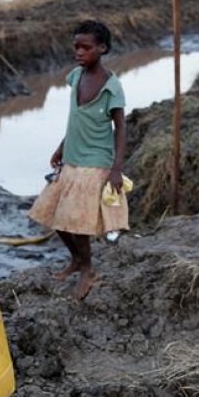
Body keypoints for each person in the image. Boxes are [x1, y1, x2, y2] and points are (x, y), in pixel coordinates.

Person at [28, 20, 129, 301]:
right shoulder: (75, 77)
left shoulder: (111, 87)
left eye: (86, 47)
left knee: (77, 220)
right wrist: (61, 146)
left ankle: (87, 269)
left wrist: (117, 168)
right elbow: (76, 118)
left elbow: (121, 128)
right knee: (55, 214)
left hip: (96, 160)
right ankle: (75, 259)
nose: (79, 52)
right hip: (72, 156)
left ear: (102, 48)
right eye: (76, 47)